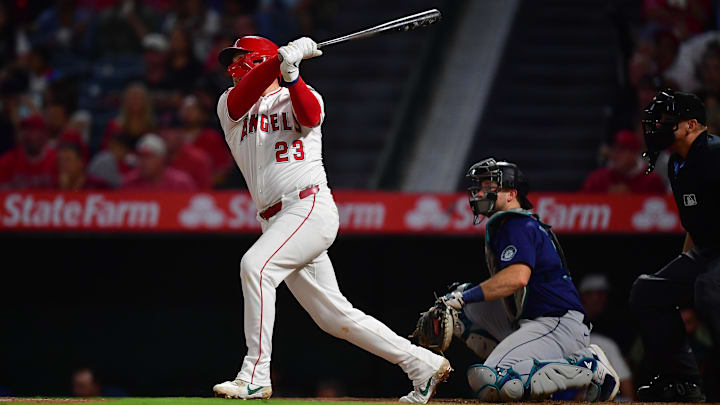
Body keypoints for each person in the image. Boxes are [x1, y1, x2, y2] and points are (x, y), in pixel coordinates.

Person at [210, 35, 451, 403]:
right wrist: (279, 63)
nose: (233, 66)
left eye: (241, 58)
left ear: (258, 61)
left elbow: (311, 116)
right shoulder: (229, 104)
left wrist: (291, 74)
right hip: (275, 221)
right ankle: (421, 363)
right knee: (333, 317)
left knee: (256, 267)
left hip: (306, 206)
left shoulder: (303, 94)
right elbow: (245, 97)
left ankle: (255, 374)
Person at [437, 158, 619, 402]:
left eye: (489, 186)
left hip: (556, 322)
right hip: (534, 322)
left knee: (491, 380)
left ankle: (589, 368)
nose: (480, 192)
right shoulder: (515, 223)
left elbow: (517, 278)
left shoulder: (515, 224)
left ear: (511, 194)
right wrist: (459, 297)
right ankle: (524, 371)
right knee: (460, 312)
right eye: (479, 186)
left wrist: (464, 296)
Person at [629, 89, 720, 402]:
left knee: (710, 288)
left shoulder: (715, 153)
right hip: (707, 252)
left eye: (668, 120)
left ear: (691, 124)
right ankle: (683, 382)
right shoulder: (678, 164)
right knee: (649, 290)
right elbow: (696, 224)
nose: (658, 126)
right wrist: (683, 270)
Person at [582, 129, 666, 193]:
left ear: (634, 153)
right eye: (614, 149)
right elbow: (582, 204)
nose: (615, 155)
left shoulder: (651, 181)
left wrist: (629, 199)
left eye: (621, 150)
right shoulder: (597, 179)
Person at [121, 133, 195, 191]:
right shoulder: (128, 182)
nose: (143, 161)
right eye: (140, 157)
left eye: (148, 157)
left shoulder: (181, 183)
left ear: (162, 158)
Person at [0, 114, 57, 189]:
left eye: (37, 130)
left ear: (45, 134)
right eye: (28, 130)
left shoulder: (56, 159)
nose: (32, 136)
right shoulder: (8, 160)